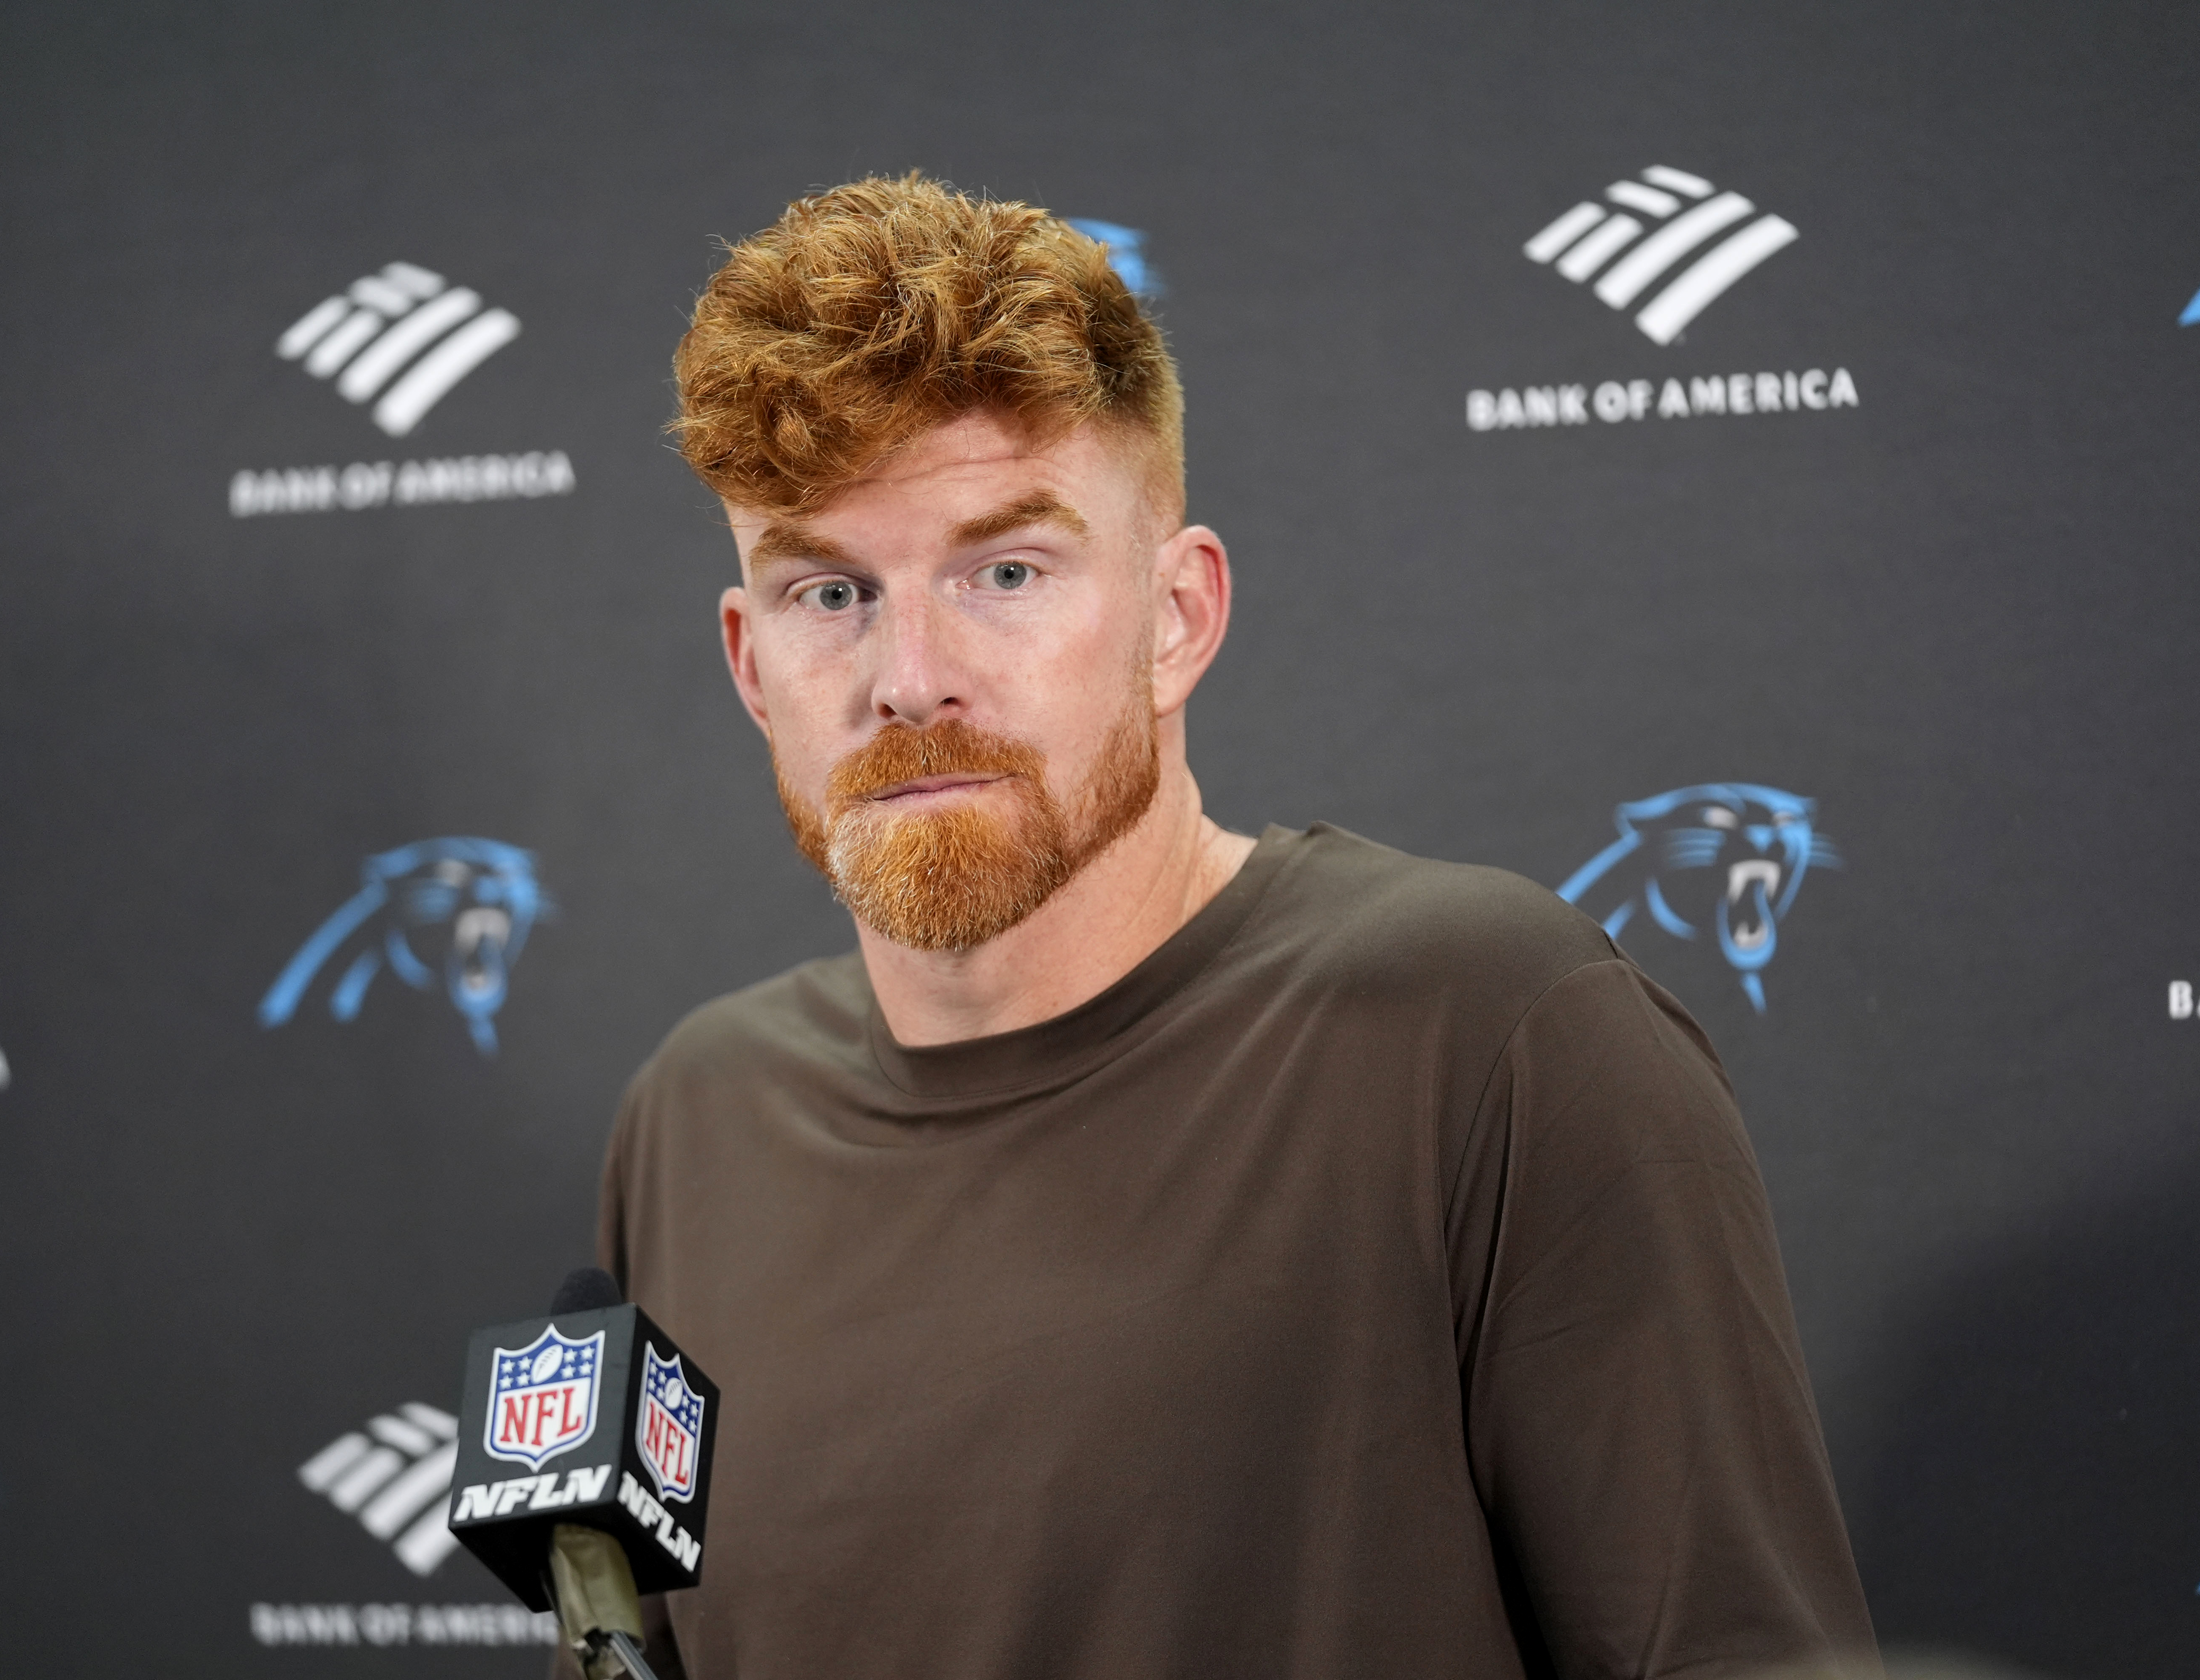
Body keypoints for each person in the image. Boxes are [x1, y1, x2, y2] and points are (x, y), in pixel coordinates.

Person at [591, 173, 1878, 1680]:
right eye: (828, 592)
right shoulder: (693, 1117)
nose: (909, 676)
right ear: (751, 665)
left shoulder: (1495, 1034)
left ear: (1176, 618)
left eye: (1005, 571)